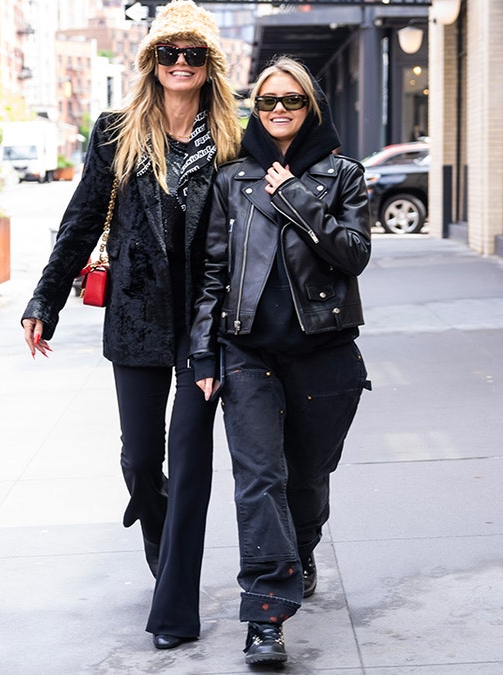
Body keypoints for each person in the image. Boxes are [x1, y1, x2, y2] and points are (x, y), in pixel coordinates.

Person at [21, 0, 242, 651]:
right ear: (151, 62)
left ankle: (175, 605)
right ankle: (161, 545)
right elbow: (82, 219)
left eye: (192, 54)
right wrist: (45, 300)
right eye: (169, 53)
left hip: (208, 322)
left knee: (193, 459)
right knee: (143, 458)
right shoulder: (116, 132)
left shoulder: (233, 138)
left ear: (209, 64)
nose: (180, 63)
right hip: (138, 317)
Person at [189, 55, 372, 665]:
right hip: (247, 352)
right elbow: (213, 273)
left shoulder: (344, 173)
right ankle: (266, 613)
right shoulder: (232, 179)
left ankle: (302, 542)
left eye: (291, 101)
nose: (278, 112)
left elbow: (353, 255)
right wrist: (201, 351)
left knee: (307, 477)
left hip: (323, 351)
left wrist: (294, 194)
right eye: (267, 102)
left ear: (310, 106)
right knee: (258, 480)